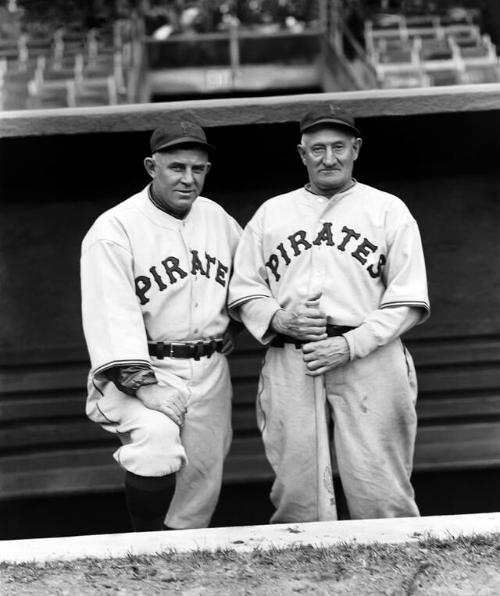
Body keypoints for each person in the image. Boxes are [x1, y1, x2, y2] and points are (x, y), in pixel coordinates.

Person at [228, 104, 430, 523]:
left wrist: (349, 344)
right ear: (301, 154)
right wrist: (278, 319)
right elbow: (244, 288)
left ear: (356, 149)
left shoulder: (388, 210)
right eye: (316, 149)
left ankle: (392, 579)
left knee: (381, 488)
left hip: (370, 354)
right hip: (291, 356)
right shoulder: (271, 214)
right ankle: (305, 584)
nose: (329, 158)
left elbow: (409, 298)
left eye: (339, 147)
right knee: (296, 490)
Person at [81, 119, 242, 531]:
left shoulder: (217, 218)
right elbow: (110, 313)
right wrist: (144, 384)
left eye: (198, 169)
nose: (189, 179)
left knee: (202, 475)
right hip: (141, 367)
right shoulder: (115, 229)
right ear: (152, 167)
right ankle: (144, 546)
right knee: (155, 440)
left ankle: (179, 560)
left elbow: (248, 281)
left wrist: (236, 325)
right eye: (177, 168)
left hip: (208, 369)